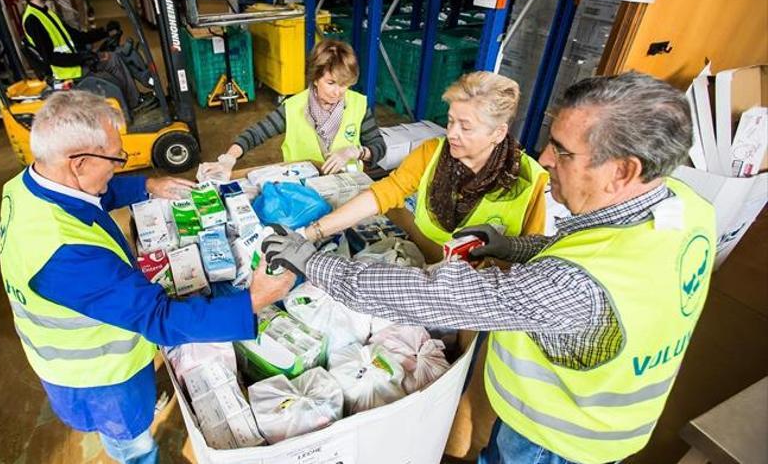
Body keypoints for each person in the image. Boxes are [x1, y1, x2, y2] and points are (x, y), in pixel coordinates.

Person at [260, 72, 717, 464]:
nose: (546, 159)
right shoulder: (690, 208)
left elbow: (433, 295)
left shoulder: (572, 279)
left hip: (555, 437)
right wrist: (516, 247)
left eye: (563, 151)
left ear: (622, 171)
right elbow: (590, 245)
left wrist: (311, 261)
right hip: (617, 415)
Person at [0, 90, 294, 464]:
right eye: (114, 158)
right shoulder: (65, 255)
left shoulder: (28, 185)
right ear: (79, 163)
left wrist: (146, 186)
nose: (119, 166)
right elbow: (158, 319)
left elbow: (89, 198)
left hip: (97, 345)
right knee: (132, 442)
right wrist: (255, 300)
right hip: (99, 375)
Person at [297, 71, 548, 245]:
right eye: (450, 121)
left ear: (498, 132)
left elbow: (529, 251)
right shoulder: (432, 153)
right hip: (432, 265)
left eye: (466, 127)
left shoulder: (528, 179)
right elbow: (381, 195)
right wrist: (312, 232)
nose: (452, 134)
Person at [199, 39, 387, 178]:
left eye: (345, 84)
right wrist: (228, 159)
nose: (338, 92)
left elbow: (379, 147)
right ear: (315, 77)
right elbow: (255, 134)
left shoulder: (358, 105)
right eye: (331, 83)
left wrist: (355, 152)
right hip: (304, 188)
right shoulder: (294, 107)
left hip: (347, 186)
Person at [15, 0, 141, 109]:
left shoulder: (46, 13)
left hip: (74, 63)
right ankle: (132, 105)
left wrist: (105, 31)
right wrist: (84, 57)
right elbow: (50, 57)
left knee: (116, 56)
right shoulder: (32, 19)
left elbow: (77, 37)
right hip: (67, 71)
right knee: (113, 61)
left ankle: (132, 102)